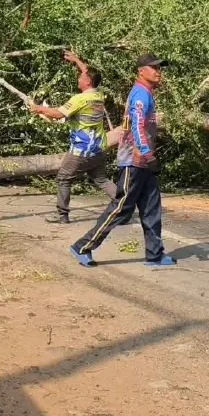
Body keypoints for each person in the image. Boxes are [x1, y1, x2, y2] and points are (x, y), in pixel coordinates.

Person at [69, 53, 176, 268]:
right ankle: (82, 246)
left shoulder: (147, 93)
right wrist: (147, 153)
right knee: (121, 209)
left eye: (159, 68)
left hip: (143, 162)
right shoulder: (139, 95)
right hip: (133, 162)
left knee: (152, 208)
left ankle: (154, 255)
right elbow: (136, 126)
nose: (158, 71)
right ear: (141, 71)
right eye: (153, 67)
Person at [28, 50, 117, 224]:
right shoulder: (98, 95)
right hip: (98, 147)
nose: (78, 78)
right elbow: (89, 72)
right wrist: (77, 61)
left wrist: (38, 108)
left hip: (81, 150)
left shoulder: (79, 99)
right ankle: (124, 206)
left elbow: (58, 114)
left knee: (64, 178)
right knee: (101, 179)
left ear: (87, 81)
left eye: (80, 76)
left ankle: (62, 215)